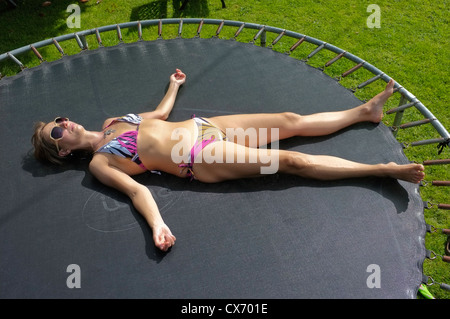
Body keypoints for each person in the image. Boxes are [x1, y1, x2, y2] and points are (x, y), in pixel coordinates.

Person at [31, 69, 425, 251]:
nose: (64, 123)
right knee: (288, 162)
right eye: (57, 130)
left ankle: (363, 112)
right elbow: (137, 192)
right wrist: (158, 226)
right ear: (63, 150)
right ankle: (384, 170)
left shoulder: (112, 121)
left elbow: (158, 116)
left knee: (290, 122)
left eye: (60, 118)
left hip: (207, 126)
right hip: (200, 157)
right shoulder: (101, 163)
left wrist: (173, 86)